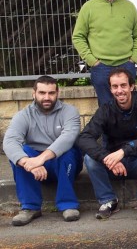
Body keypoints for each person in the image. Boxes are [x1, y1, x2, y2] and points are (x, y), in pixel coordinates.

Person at [76, 68, 137, 219]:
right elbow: (84, 137)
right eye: (115, 87)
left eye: (123, 85)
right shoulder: (106, 109)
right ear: (110, 89)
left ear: (132, 86)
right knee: (90, 159)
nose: (119, 90)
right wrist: (106, 158)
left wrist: (124, 151)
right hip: (114, 166)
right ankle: (108, 201)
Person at [3, 76, 82, 226]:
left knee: (69, 151)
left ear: (57, 93)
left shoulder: (70, 112)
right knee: (20, 153)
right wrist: (27, 162)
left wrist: (41, 159)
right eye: (42, 93)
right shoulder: (23, 115)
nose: (47, 97)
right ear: (34, 93)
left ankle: (68, 205)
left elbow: (68, 138)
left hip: (63, 163)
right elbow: (10, 141)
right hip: (35, 167)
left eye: (51, 93)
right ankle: (30, 207)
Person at [72, 0, 137, 106]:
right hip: (101, 67)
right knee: (106, 110)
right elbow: (78, 36)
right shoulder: (89, 7)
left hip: (126, 65)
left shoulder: (129, 7)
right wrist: (92, 61)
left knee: (129, 106)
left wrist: (134, 57)